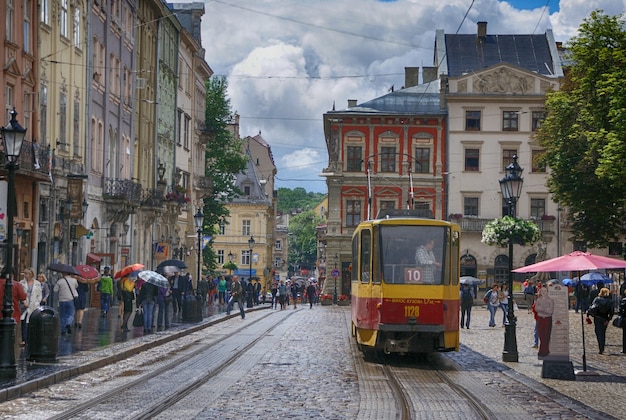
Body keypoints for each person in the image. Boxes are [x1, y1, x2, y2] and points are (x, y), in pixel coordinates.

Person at [0, 269, 27, 350]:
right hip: (14, 314)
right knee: (14, 339)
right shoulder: (16, 284)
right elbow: (23, 297)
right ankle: (14, 357)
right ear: (12, 275)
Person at [587, 287, 614, 354]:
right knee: (603, 333)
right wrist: (608, 319)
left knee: (598, 333)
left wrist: (589, 314)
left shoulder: (597, 299)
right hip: (605, 319)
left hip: (597, 318)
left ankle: (601, 347)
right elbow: (612, 312)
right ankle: (602, 346)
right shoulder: (610, 301)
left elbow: (592, 308)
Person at [19, 268, 42, 346]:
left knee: (31, 322)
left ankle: (30, 338)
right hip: (24, 305)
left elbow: (39, 295)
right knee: (24, 321)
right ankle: (24, 339)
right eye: (25, 274)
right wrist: (23, 301)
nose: (26, 275)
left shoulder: (37, 283)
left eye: (27, 274)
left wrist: (37, 303)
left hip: (33, 305)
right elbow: (19, 294)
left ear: (31, 274)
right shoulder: (21, 283)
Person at [535, 286, 554, 357]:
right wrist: (545, 309)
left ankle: (544, 350)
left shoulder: (550, 300)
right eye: (542, 291)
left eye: (545, 291)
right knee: (541, 335)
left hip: (547, 319)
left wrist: (542, 309)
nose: (543, 293)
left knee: (546, 335)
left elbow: (550, 310)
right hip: (540, 319)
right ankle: (543, 350)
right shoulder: (538, 300)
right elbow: (536, 308)